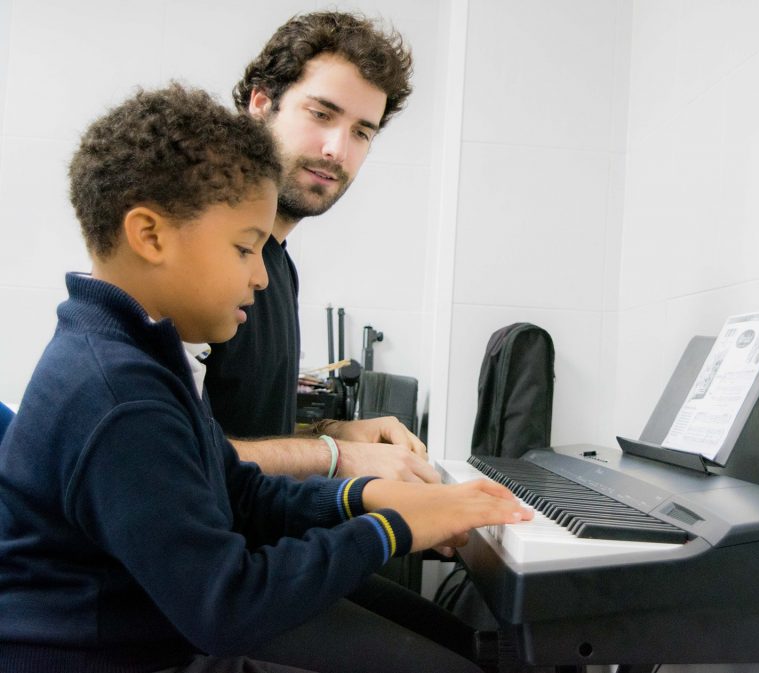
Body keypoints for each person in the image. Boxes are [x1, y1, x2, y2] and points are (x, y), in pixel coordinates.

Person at [0, 84, 531, 673]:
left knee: (453, 645)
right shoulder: (118, 395)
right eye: (245, 249)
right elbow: (227, 608)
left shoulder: (137, 350)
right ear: (149, 236)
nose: (260, 276)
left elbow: (239, 493)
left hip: (164, 632)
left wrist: (366, 496)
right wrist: (391, 529)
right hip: (116, 659)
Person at [204, 11, 438, 484]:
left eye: (361, 132)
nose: (338, 149)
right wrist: (337, 456)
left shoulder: (278, 265)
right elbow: (173, 454)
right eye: (321, 114)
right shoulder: (203, 253)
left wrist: (333, 431)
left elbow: (244, 429)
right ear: (261, 104)